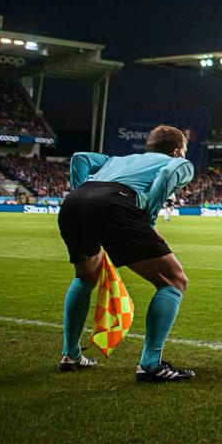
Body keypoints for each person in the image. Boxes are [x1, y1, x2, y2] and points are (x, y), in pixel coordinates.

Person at [57, 125, 196, 382]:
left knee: (87, 276)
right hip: (115, 204)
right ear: (177, 150)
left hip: (75, 202)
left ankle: (71, 354)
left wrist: (81, 192)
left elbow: (80, 158)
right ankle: (150, 364)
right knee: (174, 281)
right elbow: (167, 174)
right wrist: (148, 220)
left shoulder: (118, 159)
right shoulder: (179, 162)